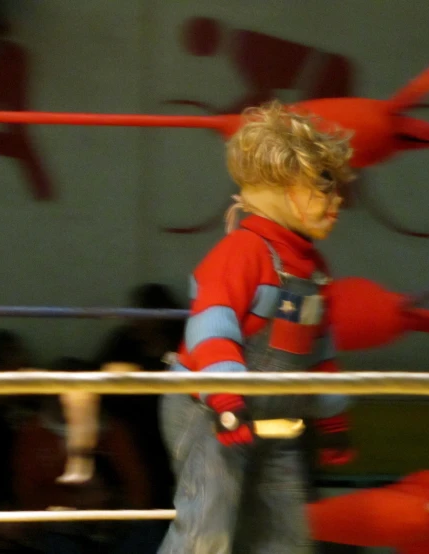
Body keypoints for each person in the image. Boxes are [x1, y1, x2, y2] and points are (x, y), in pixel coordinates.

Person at [158, 100, 356, 554]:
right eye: (323, 188)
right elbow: (211, 325)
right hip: (208, 410)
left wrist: (332, 416)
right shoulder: (244, 252)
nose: (337, 201)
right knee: (208, 528)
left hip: (275, 417)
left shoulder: (313, 268)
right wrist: (226, 399)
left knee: (284, 536)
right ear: (284, 187)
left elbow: (317, 348)